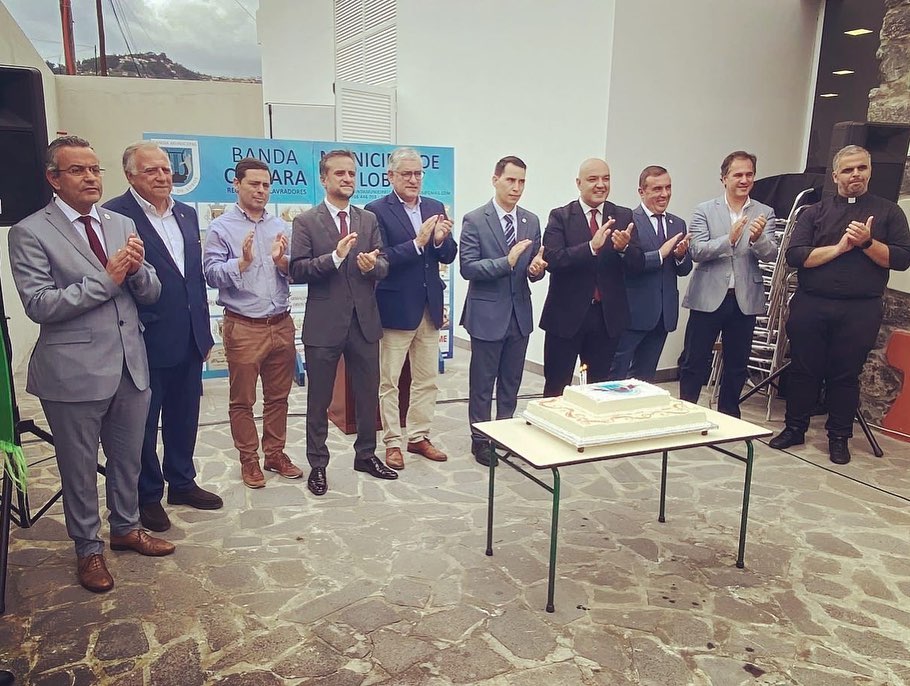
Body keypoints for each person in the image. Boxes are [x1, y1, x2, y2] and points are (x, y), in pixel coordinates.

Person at [8, 135, 174, 593]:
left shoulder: (121, 223)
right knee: (79, 469)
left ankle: (125, 528)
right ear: (53, 178)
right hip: (73, 371)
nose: (90, 178)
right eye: (77, 170)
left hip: (130, 366)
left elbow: (151, 291)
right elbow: (40, 304)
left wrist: (137, 272)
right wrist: (108, 278)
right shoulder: (30, 232)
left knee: (128, 460)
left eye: (95, 169)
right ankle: (87, 548)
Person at [104, 143, 221, 532]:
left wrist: (203, 329)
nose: (162, 176)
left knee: (184, 416)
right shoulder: (115, 216)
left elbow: (192, 277)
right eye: (151, 170)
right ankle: (148, 495)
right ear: (130, 175)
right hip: (146, 338)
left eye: (166, 170)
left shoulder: (185, 213)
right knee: (142, 424)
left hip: (189, 335)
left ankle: (182, 482)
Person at [769, 145, 910, 464]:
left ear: (870, 171)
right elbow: (795, 256)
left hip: (860, 309)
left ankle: (839, 437)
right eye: (848, 170)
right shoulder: (813, 213)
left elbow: (902, 259)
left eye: (861, 168)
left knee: (845, 375)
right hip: (812, 304)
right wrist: (840, 248)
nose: (855, 174)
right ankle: (794, 428)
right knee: (803, 370)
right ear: (835, 176)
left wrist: (867, 243)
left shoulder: (889, 212)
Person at [289, 150, 398, 495]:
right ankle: (318, 464)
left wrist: (373, 267)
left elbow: (384, 264)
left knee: (367, 394)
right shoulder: (306, 221)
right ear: (324, 179)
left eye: (351, 173)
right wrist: (335, 257)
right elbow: (297, 270)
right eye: (340, 173)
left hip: (364, 322)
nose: (348, 178)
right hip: (324, 324)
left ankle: (366, 455)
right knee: (318, 399)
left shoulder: (368, 220)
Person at [203, 157, 303, 488]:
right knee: (242, 400)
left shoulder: (281, 227)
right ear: (237, 184)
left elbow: (293, 271)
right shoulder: (221, 227)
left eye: (266, 185)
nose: (261, 190)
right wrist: (241, 263)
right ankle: (249, 459)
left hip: (281, 323)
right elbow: (211, 274)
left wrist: (282, 261)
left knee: (278, 397)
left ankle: (275, 454)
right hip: (244, 326)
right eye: (254, 184)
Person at [364, 147, 457, 469]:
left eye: (418, 173)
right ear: (390, 176)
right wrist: (417, 243)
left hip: (429, 308)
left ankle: (418, 436)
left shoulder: (434, 207)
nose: (413, 179)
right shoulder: (376, 210)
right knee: (389, 381)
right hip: (395, 307)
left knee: (426, 379)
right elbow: (381, 259)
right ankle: (392, 442)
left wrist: (440, 240)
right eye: (406, 174)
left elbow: (448, 256)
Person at [460, 156, 547, 466]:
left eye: (522, 181)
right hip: (486, 315)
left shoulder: (531, 221)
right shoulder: (475, 219)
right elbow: (468, 267)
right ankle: (481, 439)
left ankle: (505, 432)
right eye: (511, 180)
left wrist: (536, 269)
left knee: (511, 381)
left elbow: (533, 268)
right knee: (483, 383)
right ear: (495, 180)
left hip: (519, 314)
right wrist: (505, 262)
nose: (516, 187)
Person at [678, 151, 777, 417]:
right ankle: (686, 413)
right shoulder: (705, 210)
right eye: (738, 175)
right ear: (724, 178)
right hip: (708, 296)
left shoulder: (765, 212)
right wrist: (729, 240)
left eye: (749, 174)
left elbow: (771, 255)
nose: (744, 180)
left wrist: (757, 239)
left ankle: (729, 416)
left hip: (744, 298)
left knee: (737, 364)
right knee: (694, 361)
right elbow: (696, 250)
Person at [539, 157, 644, 397]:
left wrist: (624, 249)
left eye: (606, 179)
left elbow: (638, 263)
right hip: (566, 317)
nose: (600, 185)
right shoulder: (561, 216)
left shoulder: (623, 216)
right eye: (593, 179)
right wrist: (590, 248)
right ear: (578, 183)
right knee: (556, 388)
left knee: (598, 390)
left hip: (606, 319)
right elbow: (552, 259)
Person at [610, 165, 691, 381]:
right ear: (641, 191)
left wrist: (680, 255)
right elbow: (629, 264)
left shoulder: (677, 223)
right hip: (633, 314)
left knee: (644, 379)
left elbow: (684, 270)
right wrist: (660, 254)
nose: (664, 194)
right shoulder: (628, 221)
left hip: (663, 315)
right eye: (657, 189)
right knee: (615, 375)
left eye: (668, 187)